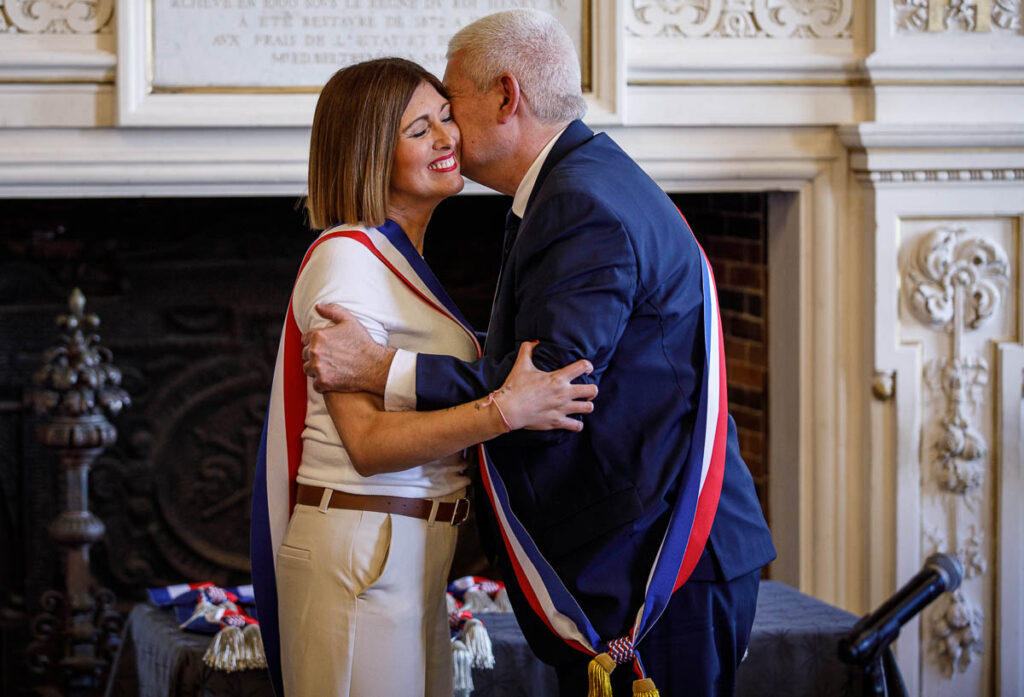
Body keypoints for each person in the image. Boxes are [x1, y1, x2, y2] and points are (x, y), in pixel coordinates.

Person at [302, 10, 777, 697]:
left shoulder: (579, 200)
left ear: (504, 96)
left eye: (450, 102)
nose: (447, 131)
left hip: (659, 560)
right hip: (641, 544)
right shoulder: (579, 180)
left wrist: (383, 369)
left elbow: (551, 383)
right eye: (422, 121)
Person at [249, 57, 599, 697]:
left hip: (403, 549)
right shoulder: (346, 262)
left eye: (446, 118)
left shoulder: (391, 259)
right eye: (420, 130)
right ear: (369, 151)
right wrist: (506, 409)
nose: (448, 139)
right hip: (362, 548)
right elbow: (369, 444)